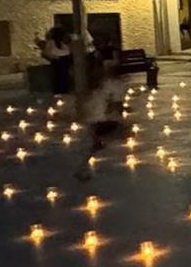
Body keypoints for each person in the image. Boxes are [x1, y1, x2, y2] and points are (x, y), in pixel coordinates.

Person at [71, 44, 128, 182]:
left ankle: (86, 164)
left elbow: (114, 103)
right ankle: (85, 166)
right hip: (97, 117)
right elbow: (114, 103)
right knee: (89, 142)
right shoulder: (107, 84)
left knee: (89, 142)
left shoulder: (108, 84)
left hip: (97, 117)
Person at [39, 26, 74, 94]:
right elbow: (53, 52)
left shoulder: (61, 43)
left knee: (63, 80)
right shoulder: (51, 43)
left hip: (62, 63)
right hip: (58, 64)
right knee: (59, 81)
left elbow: (67, 52)